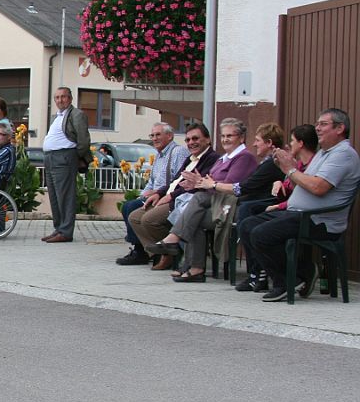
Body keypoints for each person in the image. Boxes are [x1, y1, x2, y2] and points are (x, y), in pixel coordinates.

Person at [238, 108, 360, 302]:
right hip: (299, 214)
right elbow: (301, 183)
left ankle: (287, 280)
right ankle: (302, 272)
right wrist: (287, 169)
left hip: (319, 220)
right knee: (247, 225)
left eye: (323, 124)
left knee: (261, 234)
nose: (317, 128)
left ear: (340, 128)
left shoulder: (343, 154)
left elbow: (319, 187)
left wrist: (290, 169)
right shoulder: (323, 153)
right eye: (317, 124)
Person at [147, 119, 274, 283]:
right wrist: (199, 182)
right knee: (195, 216)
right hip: (215, 204)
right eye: (223, 136)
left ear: (241, 138)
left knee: (197, 201)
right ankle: (194, 267)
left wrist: (206, 184)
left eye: (230, 136)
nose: (225, 139)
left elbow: (229, 186)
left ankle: (178, 245)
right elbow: (210, 182)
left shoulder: (244, 158)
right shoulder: (224, 159)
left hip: (231, 207)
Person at [235, 124, 318, 292]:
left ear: (300, 143)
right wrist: (281, 183)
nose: (289, 145)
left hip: (307, 215)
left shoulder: (304, 165)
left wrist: (278, 204)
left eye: (292, 141)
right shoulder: (297, 165)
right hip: (290, 208)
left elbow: (307, 194)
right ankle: (261, 272)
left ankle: (290, 274)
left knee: (257, 227)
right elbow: (293, 190)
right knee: (248, 219)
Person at [128, 122, 219, 270]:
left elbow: (195, 185)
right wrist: (159, 193)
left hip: (184, 201)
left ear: (208, 139)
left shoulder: (211, 158)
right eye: (188, 140)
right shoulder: (190, 159)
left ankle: (171, 250)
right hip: (171, 197)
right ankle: (164, 253)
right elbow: (175, 181)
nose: (191, 143)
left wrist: (170, 196)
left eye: (195, 138)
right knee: (134, 217)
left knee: (148, 220)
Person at [115, 122, 188, 264]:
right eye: (152, 135)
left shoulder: (178, 152)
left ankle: (141, 251)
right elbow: (151, 182)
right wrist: (143, 194)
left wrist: (159, 193)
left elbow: (178, 179)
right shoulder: (159, 156)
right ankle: (145, 249)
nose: (154, 138)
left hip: (167, 196)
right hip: (155, 195)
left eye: (158, 135)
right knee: (129, 205)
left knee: (131, 208)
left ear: (170, 136)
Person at [41, 87, 92, 243]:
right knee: (55, 196)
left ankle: (66, 231)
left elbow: (83, 140)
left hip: (64, 157)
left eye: (63, 97)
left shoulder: (77, 114)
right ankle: (59, 228)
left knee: (65, 196)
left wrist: (73, 157)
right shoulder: (55, 116)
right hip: (50, 158)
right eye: (57, 97)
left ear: (70, 98)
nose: (60, 100)